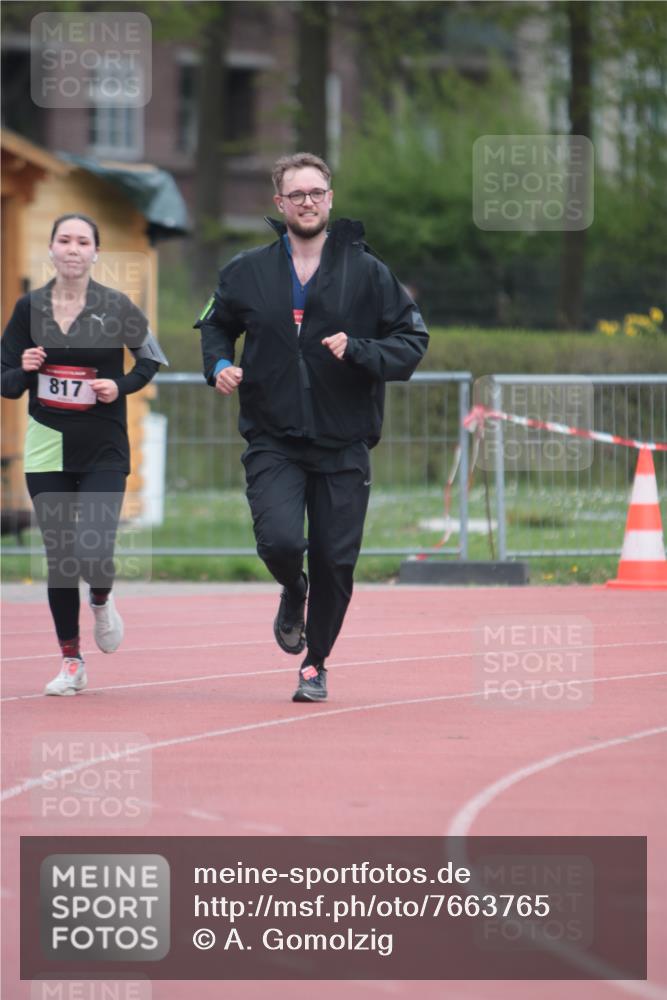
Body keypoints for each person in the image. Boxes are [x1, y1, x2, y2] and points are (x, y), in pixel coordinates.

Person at [195, 152, 428, 703]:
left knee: (336, 560)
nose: (307, 202)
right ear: (280, 203)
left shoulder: (367, 271)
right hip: (273, 436)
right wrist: (219, 365)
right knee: (280, 540)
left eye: (316, 192)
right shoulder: (246, 270)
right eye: (296, 194)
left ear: (330, 198)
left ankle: (315, 662)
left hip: (344, 440)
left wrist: (361, 350)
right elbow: (215, 324)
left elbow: (412, 343)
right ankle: (291, 586)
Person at [1, 213, 167, 695]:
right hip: (48, 444)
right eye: (64, 240)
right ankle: (71, 661)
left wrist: (120, 384)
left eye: (82, 241)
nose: (73, 249)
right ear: (51, 250)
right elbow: (6, 380)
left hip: (103, 446)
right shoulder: (28, 308)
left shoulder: (116, 306)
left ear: (95, 253)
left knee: (94, 548)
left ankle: (101, 598)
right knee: (59, 557)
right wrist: (25, 367)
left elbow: (151, 359)